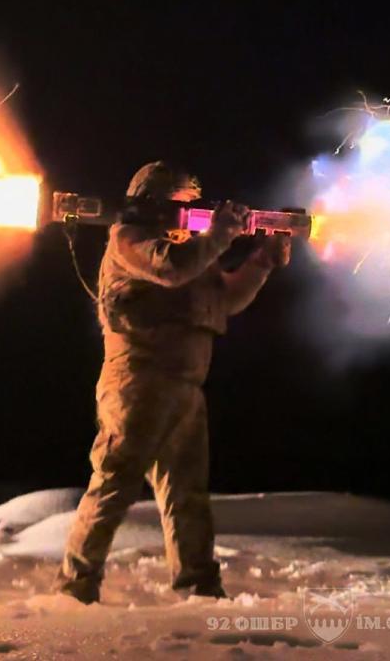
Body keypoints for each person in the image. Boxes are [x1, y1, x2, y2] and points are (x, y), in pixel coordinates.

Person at [55, 161, 290, 603]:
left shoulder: (195, 250)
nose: (190, 211)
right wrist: (218, 236)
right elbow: (171, 270)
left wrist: (260, 262)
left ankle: (198, 587)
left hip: (184, 387)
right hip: (138, 384)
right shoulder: (130, 239)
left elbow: (225, 298)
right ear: (155, 201)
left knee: (188, 496)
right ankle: (74, 586)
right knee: (113, 485)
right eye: (181, 202)